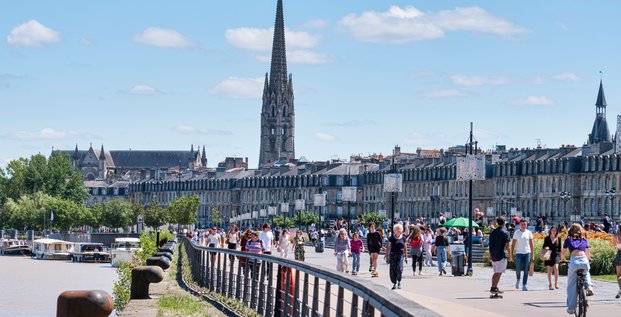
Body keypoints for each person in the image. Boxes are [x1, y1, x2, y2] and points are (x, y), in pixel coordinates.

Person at [561, 223, 594, 314]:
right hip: (584, 260)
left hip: (574, 261)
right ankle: (589, 286)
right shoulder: (584, 240)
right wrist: (589, 259)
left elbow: (563, 253)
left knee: (571, 285)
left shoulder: (568, 240)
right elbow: (588, 253)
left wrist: (562, 259)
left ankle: (571, 308)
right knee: (586, 272)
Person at [489, 216, 513, 296]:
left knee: (496, 272)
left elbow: (490, 245)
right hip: (501, 255)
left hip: (494, 255)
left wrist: (490, 255)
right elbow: (507, 245)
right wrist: (510, 255)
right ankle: (494, 288)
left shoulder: (493, 232)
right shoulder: (505, 233)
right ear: (504, 222)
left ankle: (494, 287)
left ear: (497, 223)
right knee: (498, 273)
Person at [511, 219, 534, 291]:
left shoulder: (529, 232)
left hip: (527, 253)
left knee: (526, 269)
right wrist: (511, 254)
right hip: (519, 253)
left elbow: (531, 244)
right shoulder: (517, 233)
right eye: (522, 224)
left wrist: (532, 255)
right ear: (520, 225)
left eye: (525, 224)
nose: (524, 226)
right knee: (518, 269)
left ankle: (524, 284)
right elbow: (513, 244)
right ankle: (518, 279)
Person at [385, 224, 408, 289]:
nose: (395, 230)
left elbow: (405, 248)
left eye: (397, 229)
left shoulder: (403, 238)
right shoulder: (392, 238)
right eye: (395, 229)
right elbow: (388, 247)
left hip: (400, 255)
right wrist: (386, 255)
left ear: (400, 230)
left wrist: (406, 257)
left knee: (399, 268)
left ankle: (399, 281)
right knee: (393, 269)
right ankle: (394, 283)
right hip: (393, 255)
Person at [542, 226, 561, 290]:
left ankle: (556, 283)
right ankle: (550, 284)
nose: (554, 231)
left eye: (555, 230)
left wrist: (561, 257)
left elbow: (559, 249)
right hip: (548, 254)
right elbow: (544, 246)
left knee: (556, 268)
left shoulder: (558, 238)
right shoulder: (547, 238)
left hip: (556, 255)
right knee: (549, 270)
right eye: (552, 230)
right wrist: (546, 247)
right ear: (550, 231)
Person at [614, 226, 621, 299]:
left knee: (619, 275)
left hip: (619, 256)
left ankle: (620, 289)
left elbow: (617, 246)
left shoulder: (618, 237)